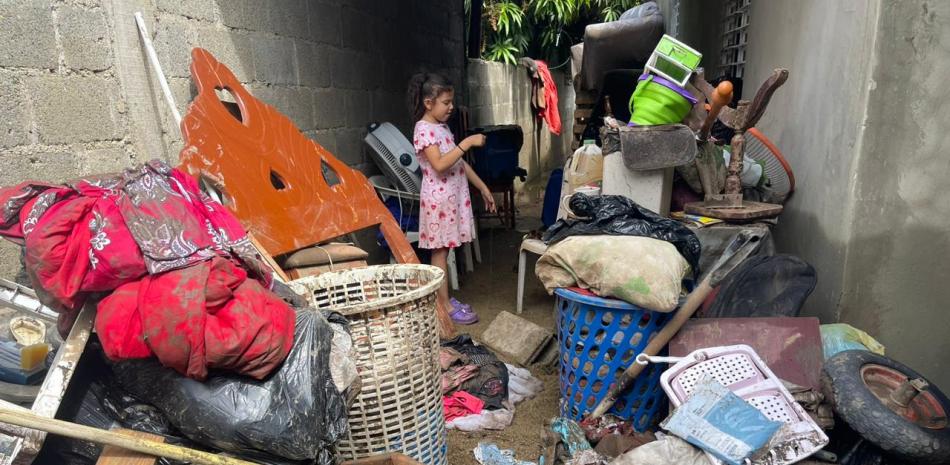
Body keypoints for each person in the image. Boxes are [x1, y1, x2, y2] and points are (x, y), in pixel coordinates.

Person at [407, 72, 495, 325]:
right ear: (428, 103)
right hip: (439, 203)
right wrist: (467, 142)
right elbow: (440, 164)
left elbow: (458, 163)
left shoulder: (441, 127)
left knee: (445, 252)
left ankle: (444, 300)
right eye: (446, 102)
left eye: (451, 102)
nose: (451, 107)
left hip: (451, 200)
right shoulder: (423, 129)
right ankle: (444, 306)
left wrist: (482, 187)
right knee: (440, 253)